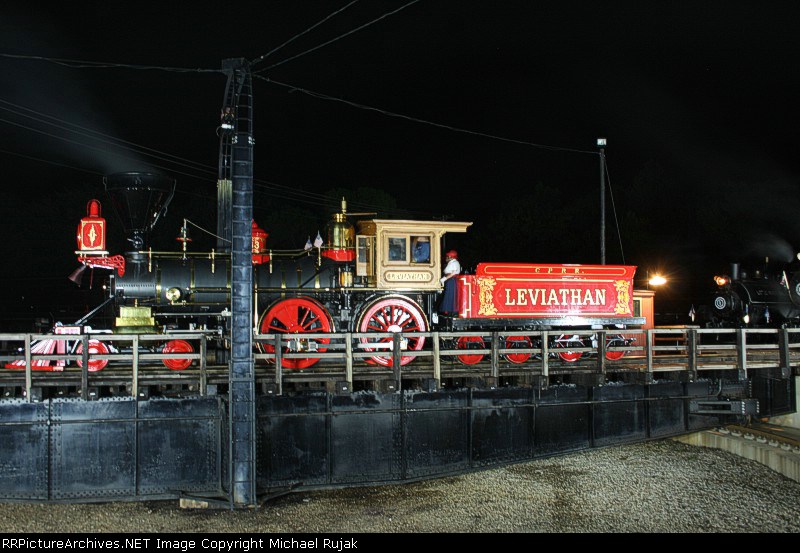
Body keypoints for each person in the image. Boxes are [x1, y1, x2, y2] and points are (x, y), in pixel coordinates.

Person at [439, 249, 461, 315]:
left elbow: (453, 273)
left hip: (451, 280)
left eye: (448, 256)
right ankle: (448, 311)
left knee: (451, 295)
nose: (447, 257)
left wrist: (445, 278)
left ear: (451, 257)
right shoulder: (451, 262)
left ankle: (452, 311)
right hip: (449, 279)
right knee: (448, 294)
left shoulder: (455, 263)